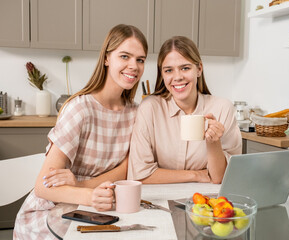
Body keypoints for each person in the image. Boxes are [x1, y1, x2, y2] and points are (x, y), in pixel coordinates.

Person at [13, 24, 148, 239]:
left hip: (98, 207)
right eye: (125, 56)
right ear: (106, 58)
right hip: (52, 212)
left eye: (140, 60)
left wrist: (81, 184)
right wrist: (87, 194)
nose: (134, 66)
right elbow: (42, 187)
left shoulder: (136, 113)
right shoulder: (80, 109)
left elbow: (128, 167)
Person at [127, 36, 242, 184]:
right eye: (169, 70)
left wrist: (214, 143)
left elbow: (222, 178)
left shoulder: (222, 109)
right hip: (158, 200)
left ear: (199, 69)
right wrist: (195, 175)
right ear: (162, 75)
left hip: (206, 201)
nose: (178, 77)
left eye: (185, 68)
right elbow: (140, 174)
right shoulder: (150, 108)